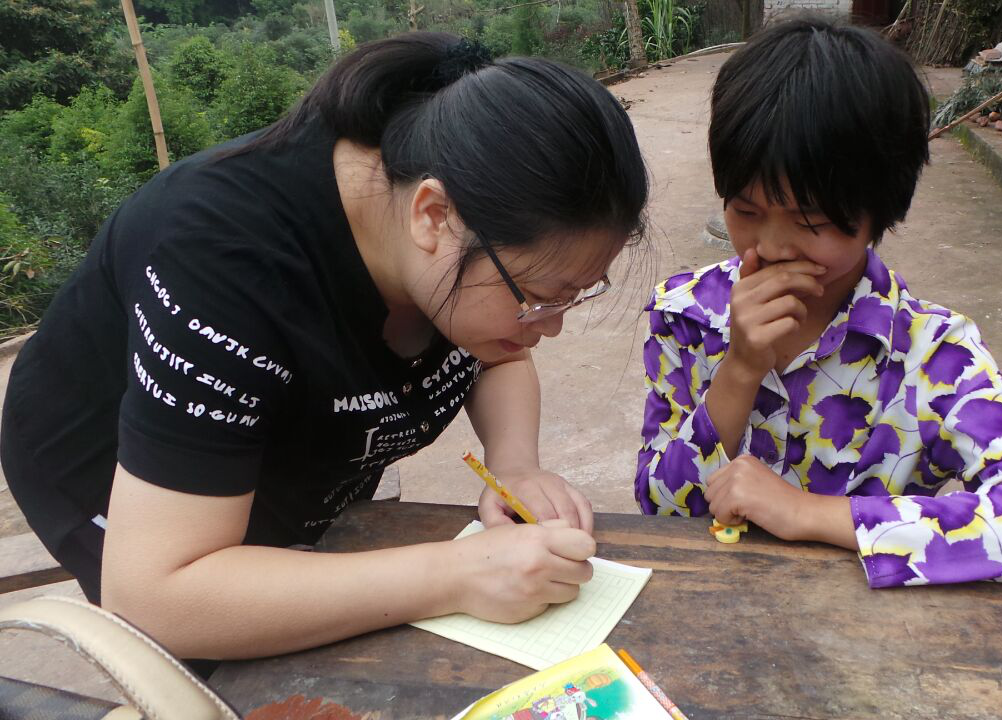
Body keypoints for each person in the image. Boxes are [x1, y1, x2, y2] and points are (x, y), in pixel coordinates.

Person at [1, 33, 649, 660]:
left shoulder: (455, 171)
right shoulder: (223, 264)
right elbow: (154, 597)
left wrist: (515, 466)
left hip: (289, 437)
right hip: (114, 469)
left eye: (572, 296)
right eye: (540, 295)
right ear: (433, 216)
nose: (550, 326)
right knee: (233, 660)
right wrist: (459, 573)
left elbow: (499, 343)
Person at [634, 17, 1002, 588]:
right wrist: (740, 370)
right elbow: (660, 510)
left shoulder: (931, 354)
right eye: (745, 211)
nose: (772, 247)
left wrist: (811, 514)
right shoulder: (685, 316)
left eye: (813, 223)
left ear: (880, 214)